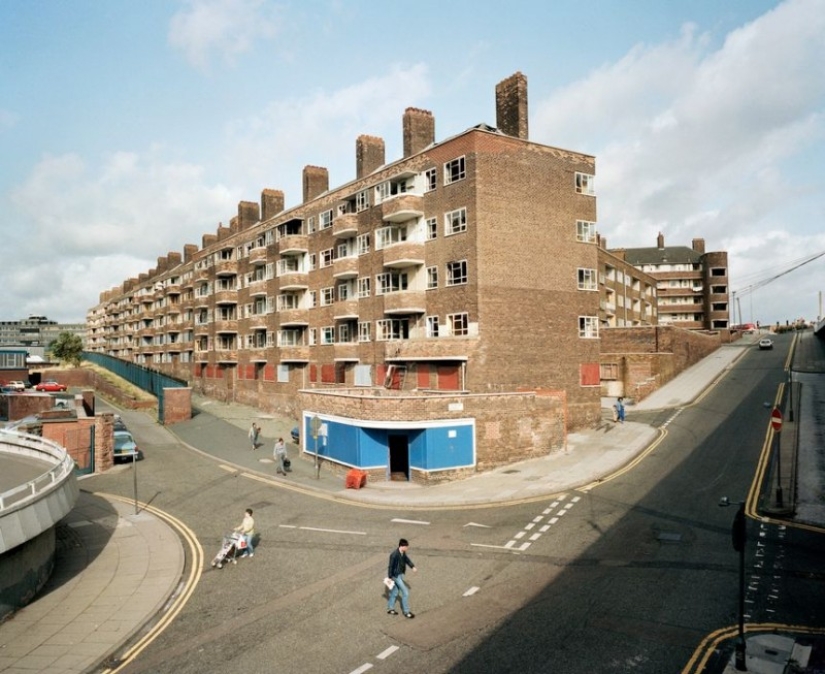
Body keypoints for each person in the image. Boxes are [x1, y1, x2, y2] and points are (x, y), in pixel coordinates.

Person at [386, 538, 417, 618]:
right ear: (401, 546)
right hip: (396, 576)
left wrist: (412, 566)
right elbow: (390, 566)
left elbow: (406, 560)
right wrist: (390, 577)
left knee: (395, 592)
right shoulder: (394, 555)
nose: (407, 548)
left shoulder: (403, 552)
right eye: (406, 546)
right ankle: (406, 612)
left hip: (401, 574)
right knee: (405, 593)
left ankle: (390, 608)